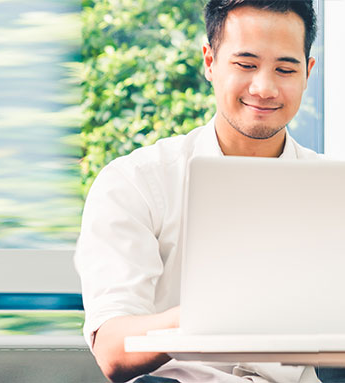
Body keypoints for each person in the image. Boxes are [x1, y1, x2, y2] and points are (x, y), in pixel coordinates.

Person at [73, 1, 319, 382]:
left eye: (285, 69)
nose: (265, 88)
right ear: (210, 61)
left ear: (308, 73)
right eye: (246, 64)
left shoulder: (333, 190)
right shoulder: (136, 182)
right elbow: (112, 349)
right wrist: (208, 314)